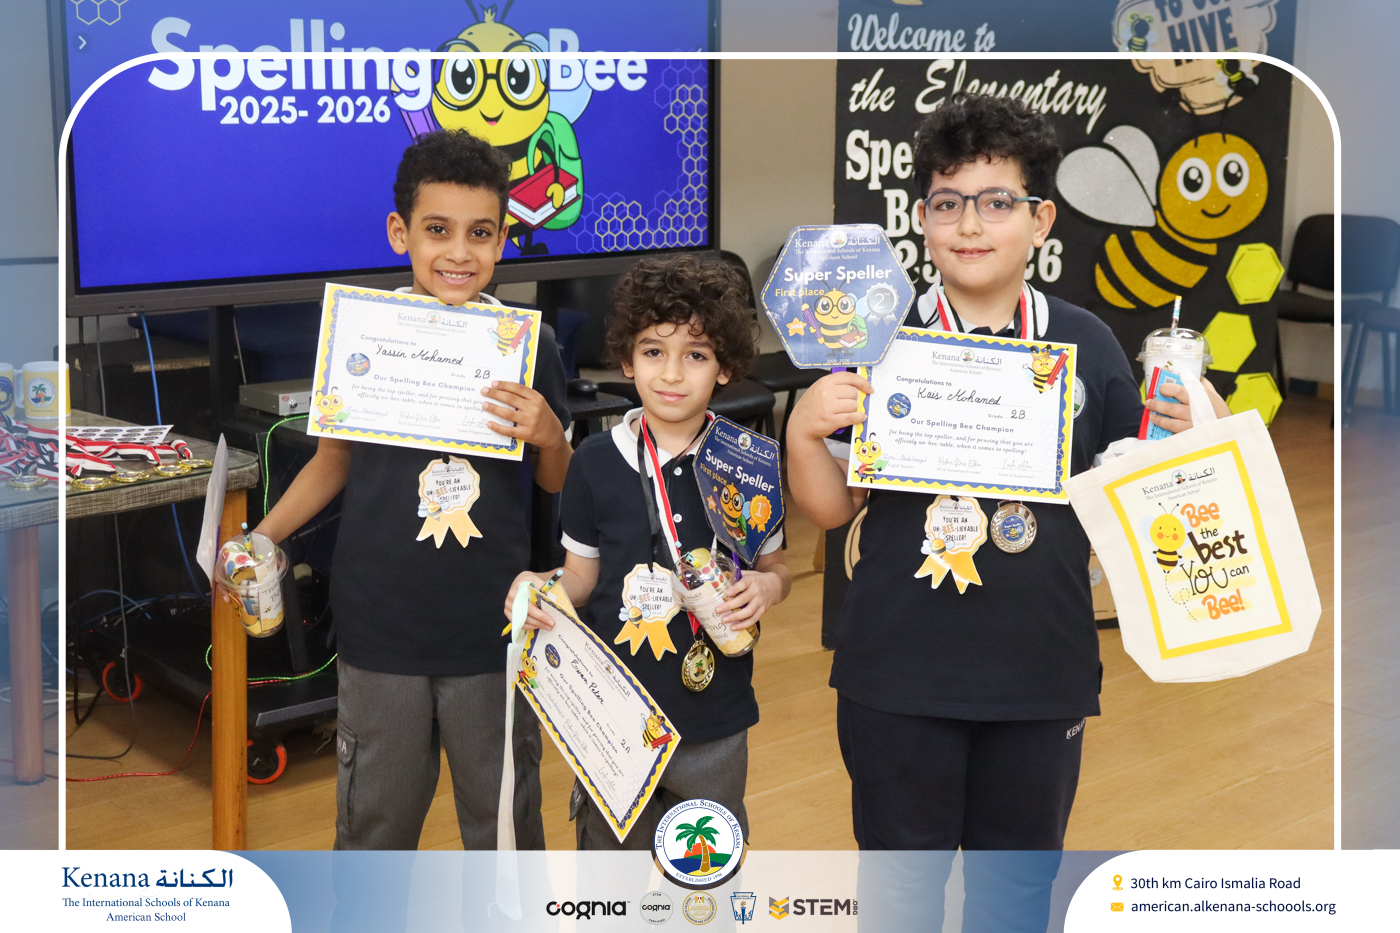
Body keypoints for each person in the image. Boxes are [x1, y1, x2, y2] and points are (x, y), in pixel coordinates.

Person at [785, 93, 1230, 930]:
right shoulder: (878, 340)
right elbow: (831, 507)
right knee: (899, 890)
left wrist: (1198, 433)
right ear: (921, 219)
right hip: (897, 673)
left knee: (1015, 894)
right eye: (947, 203)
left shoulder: (1088, 343)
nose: (970, 224)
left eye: (997, 202)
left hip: (1040, 671)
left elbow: (1145, 498)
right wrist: (804, 432)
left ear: (1041, 220)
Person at [253, 129, 572, 851]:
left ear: (503, 240)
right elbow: (332, 460)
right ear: (401, 233)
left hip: (493, 627)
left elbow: (555, 484)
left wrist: (552, 436)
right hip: (380, 626)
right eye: (437, 230)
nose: (459, 252)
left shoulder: (532, 346)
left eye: (480, 233)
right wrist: (262, 537)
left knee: (503, 828)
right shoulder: (364, 335)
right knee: (376, 825)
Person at [506, 254, 792, 850]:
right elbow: (581, 578)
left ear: (725, 367)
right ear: (626, 360)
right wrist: (540, 587)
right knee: (610, 873)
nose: (672, 373)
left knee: (705, 869)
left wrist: (768, 586)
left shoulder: (748, 461)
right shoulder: (593, 462)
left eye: (697, 355)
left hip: (716, 711)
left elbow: (777, 567)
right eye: (653, 351)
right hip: (614, 712)